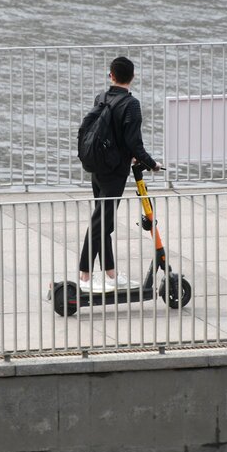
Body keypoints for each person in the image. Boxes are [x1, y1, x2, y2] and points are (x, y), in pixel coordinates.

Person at [79, 56, 161, 292]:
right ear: (132, 77)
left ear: (111, 76)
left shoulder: (101, 98)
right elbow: (133, 142)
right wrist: (151, 163)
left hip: (97, 166)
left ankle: (111, 275)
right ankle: (85, 277)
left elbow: (110, 134)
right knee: (100, 221)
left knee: (104, 221)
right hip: (115, 171)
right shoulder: (131, 105)